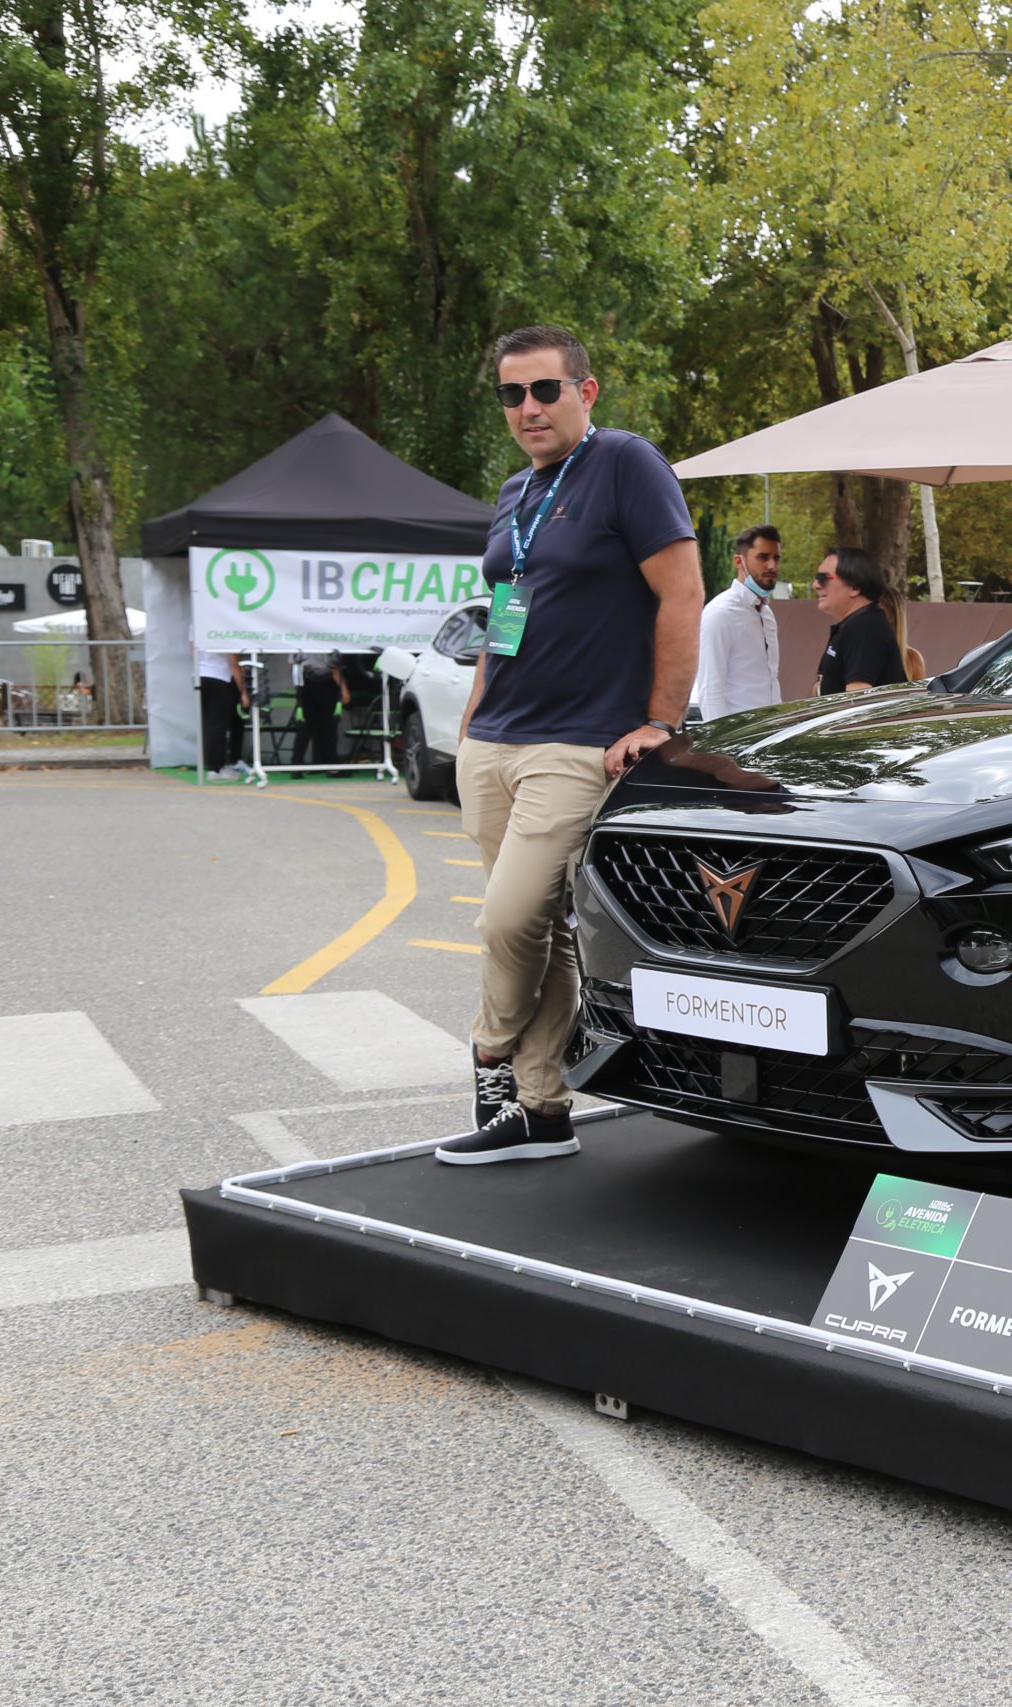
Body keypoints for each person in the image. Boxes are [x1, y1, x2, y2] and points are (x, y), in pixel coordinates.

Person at [437, 324, 702, 1167]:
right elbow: (505, 617)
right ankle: (542, 1109)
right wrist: (472, 721)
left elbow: (683, 593)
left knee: (508, 920)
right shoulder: (518, 491)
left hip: (578, 742)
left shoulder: (626, 463)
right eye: (511, 394)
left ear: (585, 392)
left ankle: (487, 1057)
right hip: (496, 739)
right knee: (539, 929)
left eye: (544, 389)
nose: (527, 407)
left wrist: (662, 718)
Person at [693, 524, 785, 721]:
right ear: (739, 561)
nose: (772, 566)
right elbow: (710, 690)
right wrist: (720, 748)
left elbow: (770, 682)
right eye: (763, 557)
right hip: (736, 740)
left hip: (768, 735)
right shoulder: (720, 613)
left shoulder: (766, 614)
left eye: (776, 558)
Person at [815, 546, 907, 693]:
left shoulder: (865, 627)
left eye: (823, 579)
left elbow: (857, 700)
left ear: (854, 586)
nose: (816, 585)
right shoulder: (858, 624)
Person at [196, 648, 250, 778]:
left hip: (201, 675)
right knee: (218, 725)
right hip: (220, 677)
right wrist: (243, 691)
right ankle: (216, 768)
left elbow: (192, 652)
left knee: (211, 724)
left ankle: (216, 765)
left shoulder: (195, 627)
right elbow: (234, 663)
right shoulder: (224, 629)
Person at [292, 647, 350, 766]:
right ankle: (330, 765)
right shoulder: (302, 643)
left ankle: (300, 764)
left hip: (311, 681)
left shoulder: (299, 642)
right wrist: (343, 689)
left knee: (315, 726)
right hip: (316, 681)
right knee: (323, 726)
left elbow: (293, 666)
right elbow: (334, 668)